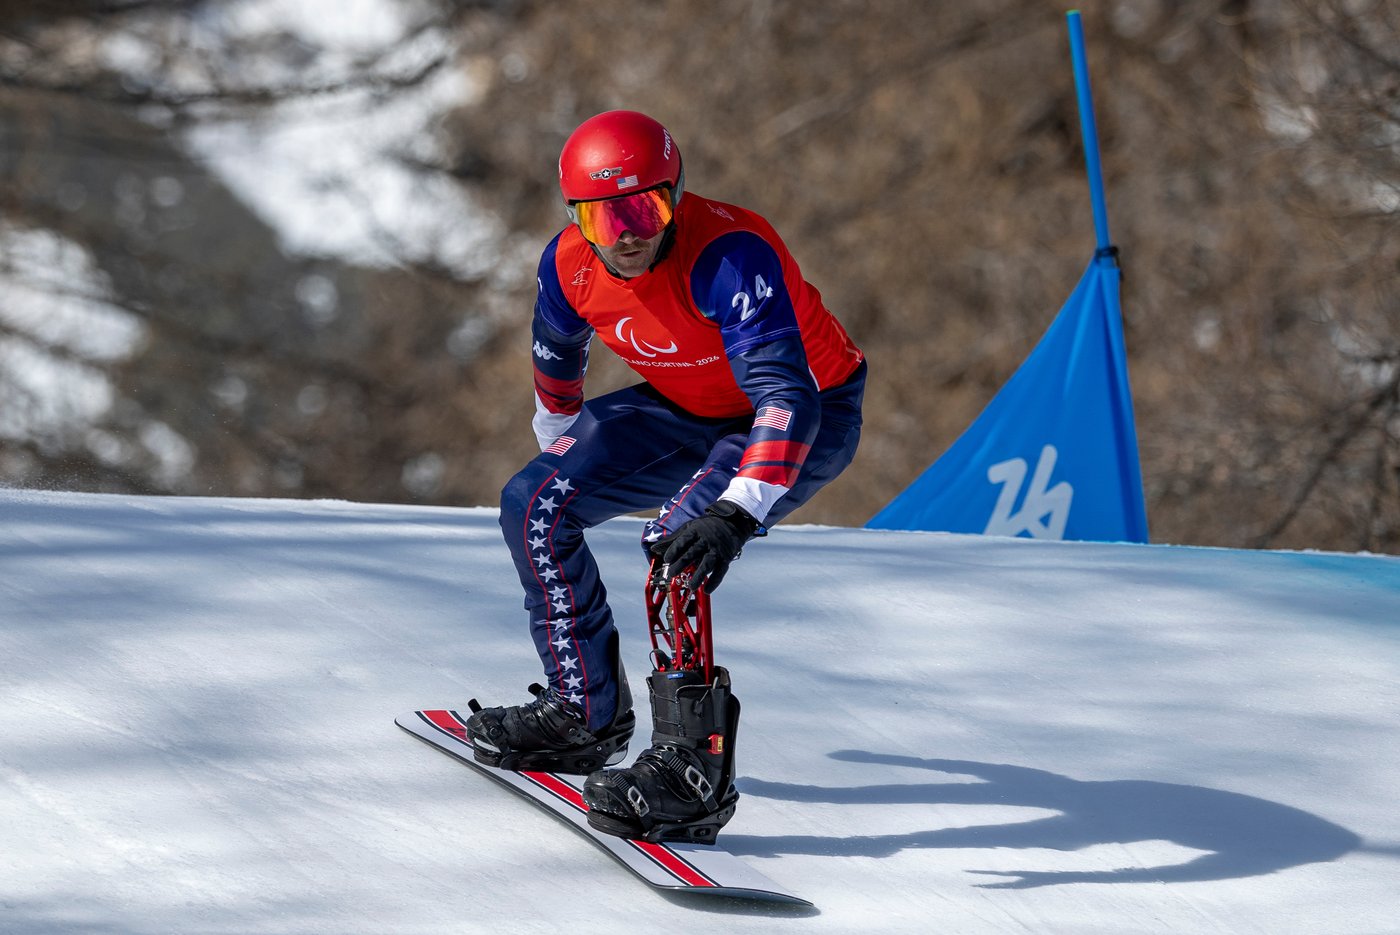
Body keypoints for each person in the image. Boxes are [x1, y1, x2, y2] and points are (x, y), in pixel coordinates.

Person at [465, 110, 866, 843]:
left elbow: (788, 395)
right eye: (604, 213)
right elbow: (557, 360)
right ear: (575, 217)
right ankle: (582, 712)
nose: (627, 232)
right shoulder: (566, 265)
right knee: (532, 504)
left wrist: (737, 510)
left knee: (678, 541)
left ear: (675, 197)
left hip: (804, 412)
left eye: (645, 206)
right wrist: (562, 456)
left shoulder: (730, 256)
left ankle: (692, 775)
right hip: (686, 404)